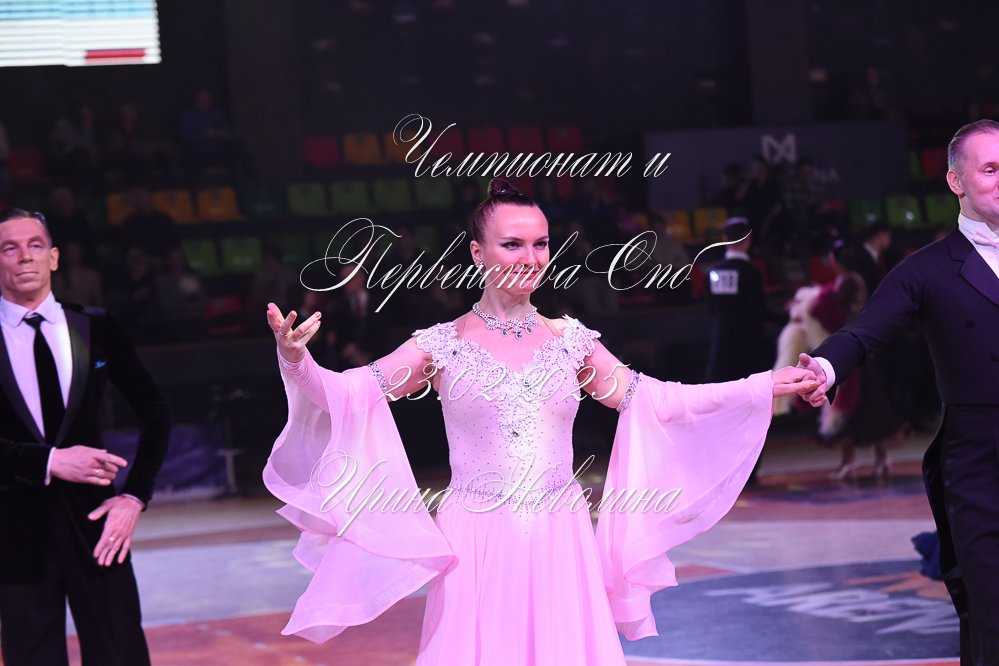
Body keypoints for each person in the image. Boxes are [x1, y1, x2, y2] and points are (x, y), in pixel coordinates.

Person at [263, 179, 817, 665]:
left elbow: (657, 401)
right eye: (513, 244)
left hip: (560, 537)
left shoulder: (572, 342)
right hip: (476, 539)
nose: (530, 257)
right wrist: (295, 359)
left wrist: (759, 385)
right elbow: (345, 393)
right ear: (477, 252)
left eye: (541, 243)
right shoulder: (440, 344)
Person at [799, 119, 999, 665]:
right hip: (980, 460)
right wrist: (825, 367)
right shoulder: (927, 268)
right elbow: (865, 331)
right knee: (990, 610)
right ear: (956, 181)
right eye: (990, 169)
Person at [0, 209, 171, 665]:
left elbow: (155, 411)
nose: (24, 257)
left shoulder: (95, 326)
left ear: (54, 257)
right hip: (14, 534)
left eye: (35, 245)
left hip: (97, 526)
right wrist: (49, 461)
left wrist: (134, 497)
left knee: (120, 656)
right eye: (9, 248)